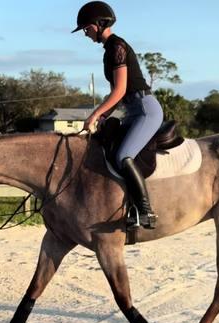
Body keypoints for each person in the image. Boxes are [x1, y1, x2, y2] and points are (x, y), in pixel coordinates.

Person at [72, 1, 164, 229]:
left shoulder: (117, 46)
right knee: (108, 150)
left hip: (145, 110)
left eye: (86, 28)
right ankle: (126, 206)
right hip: (132, 110)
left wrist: (95, 114)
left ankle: (145, 211)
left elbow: (120, 90)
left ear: (99, 24)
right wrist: (103, 117)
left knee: (123, 155)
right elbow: (119, 96)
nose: (85, 33)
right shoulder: (108, 50)